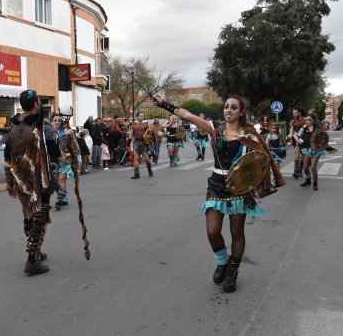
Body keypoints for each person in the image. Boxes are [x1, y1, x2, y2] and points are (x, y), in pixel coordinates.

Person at [152, 95, 285, 293]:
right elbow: (187, 115)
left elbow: (261, 161)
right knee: (212, 231)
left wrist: (257, 180)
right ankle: (222, 262)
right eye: (226, 106)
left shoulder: (249, 135)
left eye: (234, 107)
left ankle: (232, 271)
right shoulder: (215, 129)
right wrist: (164, 104)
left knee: (236, 233)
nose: (228, 110)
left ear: (241, 112)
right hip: (216, 185)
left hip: (238, 189)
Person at [2, 90, 62, 275]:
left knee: (29, 214)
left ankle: (35, 249)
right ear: (36, 104)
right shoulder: (42, 127)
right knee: (40, 217)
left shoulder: (13, 126)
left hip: (20, 179)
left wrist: (10, 182)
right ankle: (32, 259)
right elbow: (56, 153)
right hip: (38, 179)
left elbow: (7, 157)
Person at [52, 115, 80, 210]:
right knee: (56, 181)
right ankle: (64, 197)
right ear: (52, 122)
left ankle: (59, 200)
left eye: (59, 120)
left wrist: (76, 156)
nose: (57, 122)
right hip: (53, 160)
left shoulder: (67, 132)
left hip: (65, 159)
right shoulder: (48, 132)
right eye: (55, 120)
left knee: (62, 178)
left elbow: (74, 145)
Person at [298, 114, 326, 190]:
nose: (307, 121)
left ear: (313, 120)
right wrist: (302, 129)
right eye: (306, 120)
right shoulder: (304, 128)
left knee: (313, 167)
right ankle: (308, 180)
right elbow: (298, 137)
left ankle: (315, 183)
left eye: (309, 120)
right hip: (307, 150)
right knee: (305, 168)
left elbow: (324, 138)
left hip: (316, 150)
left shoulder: (317, 128)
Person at [129, 112, 153, 179]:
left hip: (143, 143)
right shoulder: (133, 126)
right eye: (141, 116)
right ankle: (136, 174)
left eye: (143, 116)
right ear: (137, 117)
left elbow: (150, 134)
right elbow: (131, 135)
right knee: (135, 158)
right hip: (136, 142)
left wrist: (149, 141)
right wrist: (128, 144)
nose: (142, 117)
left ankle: (150, 170)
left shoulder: (145, 125)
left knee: (146, 159)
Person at [289, 107, 306, 178]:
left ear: (299, 113)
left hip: (304, 139)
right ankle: (296, 171)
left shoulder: (305, 121)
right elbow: (292, 130)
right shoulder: (293, 121)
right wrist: (290, 134)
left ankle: (300, 170)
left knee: (303, 156)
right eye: (293, 113)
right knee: (297, 153)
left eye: (295, 113)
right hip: (296, 139)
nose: (294, 114)